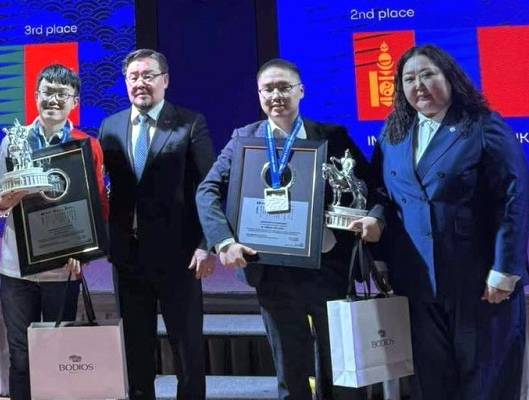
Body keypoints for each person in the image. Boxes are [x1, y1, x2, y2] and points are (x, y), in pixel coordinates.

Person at [351, 44, 529, 400]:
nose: (419, 85)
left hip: (478, 281)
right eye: (409, 79)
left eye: (428, 75)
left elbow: (513, 198)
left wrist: (505, 268)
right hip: (415, 281)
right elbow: (381, 192)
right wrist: (378, 241)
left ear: (450, 78)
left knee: (485, 382)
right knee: (431, 383)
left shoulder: (482, 125)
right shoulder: (394, 132)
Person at [195, 58, 370, 400]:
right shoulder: (244, 138)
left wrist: (372, 218)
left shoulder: (332, 136)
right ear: (259, 94)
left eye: (284, 87)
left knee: (342, 372)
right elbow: (207, 190)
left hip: (326, 267)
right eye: (268, 89)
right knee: (290, 374)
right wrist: (223, 242)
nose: (276, 95)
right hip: (272, 271)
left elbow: (369, 186)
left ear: (300, 91)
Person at [98, 49, 216, 400]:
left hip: (180, 256)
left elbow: (210, 187)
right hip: (128, 256)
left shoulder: (190, 123)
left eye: (148, 75)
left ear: (165, 80)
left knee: (187, 347)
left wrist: (206, 243)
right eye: (133, 77)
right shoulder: (110, 127)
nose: (140, 83)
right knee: (136, 349)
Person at [0, 64, 108, 400]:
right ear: (35, 95)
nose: (53, 99)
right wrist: (5, 198)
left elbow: (98, 205)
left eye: (61, 94)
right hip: (17, 269)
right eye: (47, 92)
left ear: (75, 101)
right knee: (21, 357)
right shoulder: (14, 141)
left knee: (58, 357)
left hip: (63, 269)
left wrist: (84, 253)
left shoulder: (86, 144)